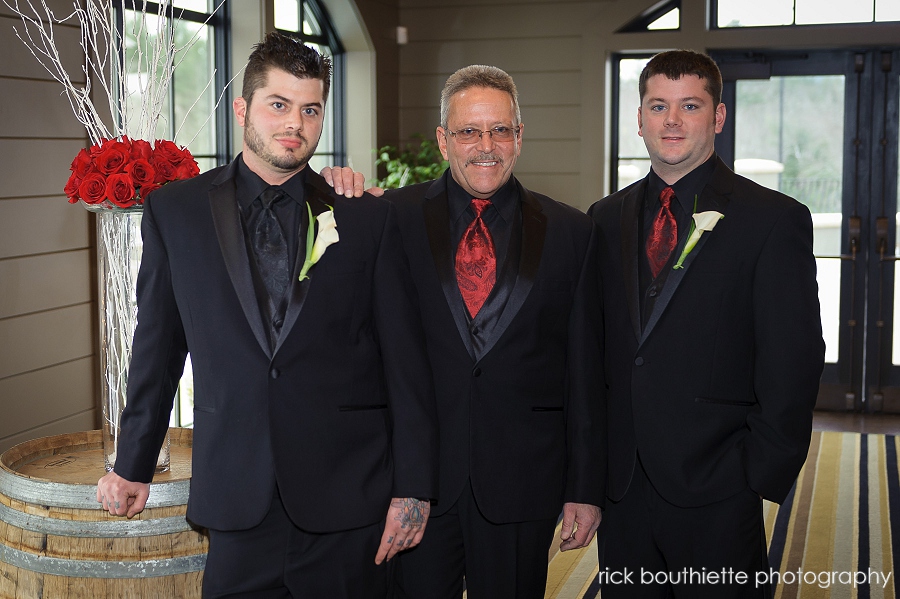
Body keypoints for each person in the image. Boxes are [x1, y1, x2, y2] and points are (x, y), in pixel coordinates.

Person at [96, 32, 438, 598]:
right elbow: (157, 349)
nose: (294, 125)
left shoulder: (365, 218)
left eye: (310, 109)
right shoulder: (174, 213)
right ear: (242, 109)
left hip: (348, 499)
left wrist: (414, 488)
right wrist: (132, 462)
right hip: (235, 494)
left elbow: (406, 362)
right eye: (278, 105)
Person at [324, 65, 606, 599]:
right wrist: (336, 184)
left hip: (524, 481)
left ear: (519, 137)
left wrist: (585, 488)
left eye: (500, 130)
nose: (486, 146)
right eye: (469, 131)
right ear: (442, 140)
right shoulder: (388, 217)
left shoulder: (573, 232)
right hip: (417, 483)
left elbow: (584, 371)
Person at [587, 49, 825, 598]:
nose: (672, 121)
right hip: (623, 483)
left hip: (718, 480)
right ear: (639, 119)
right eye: (658, 106)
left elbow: (794, 355)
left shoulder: (772, 220)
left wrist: (759, 470)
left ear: (718, 117)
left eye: (689, 105)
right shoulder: (604, 219)